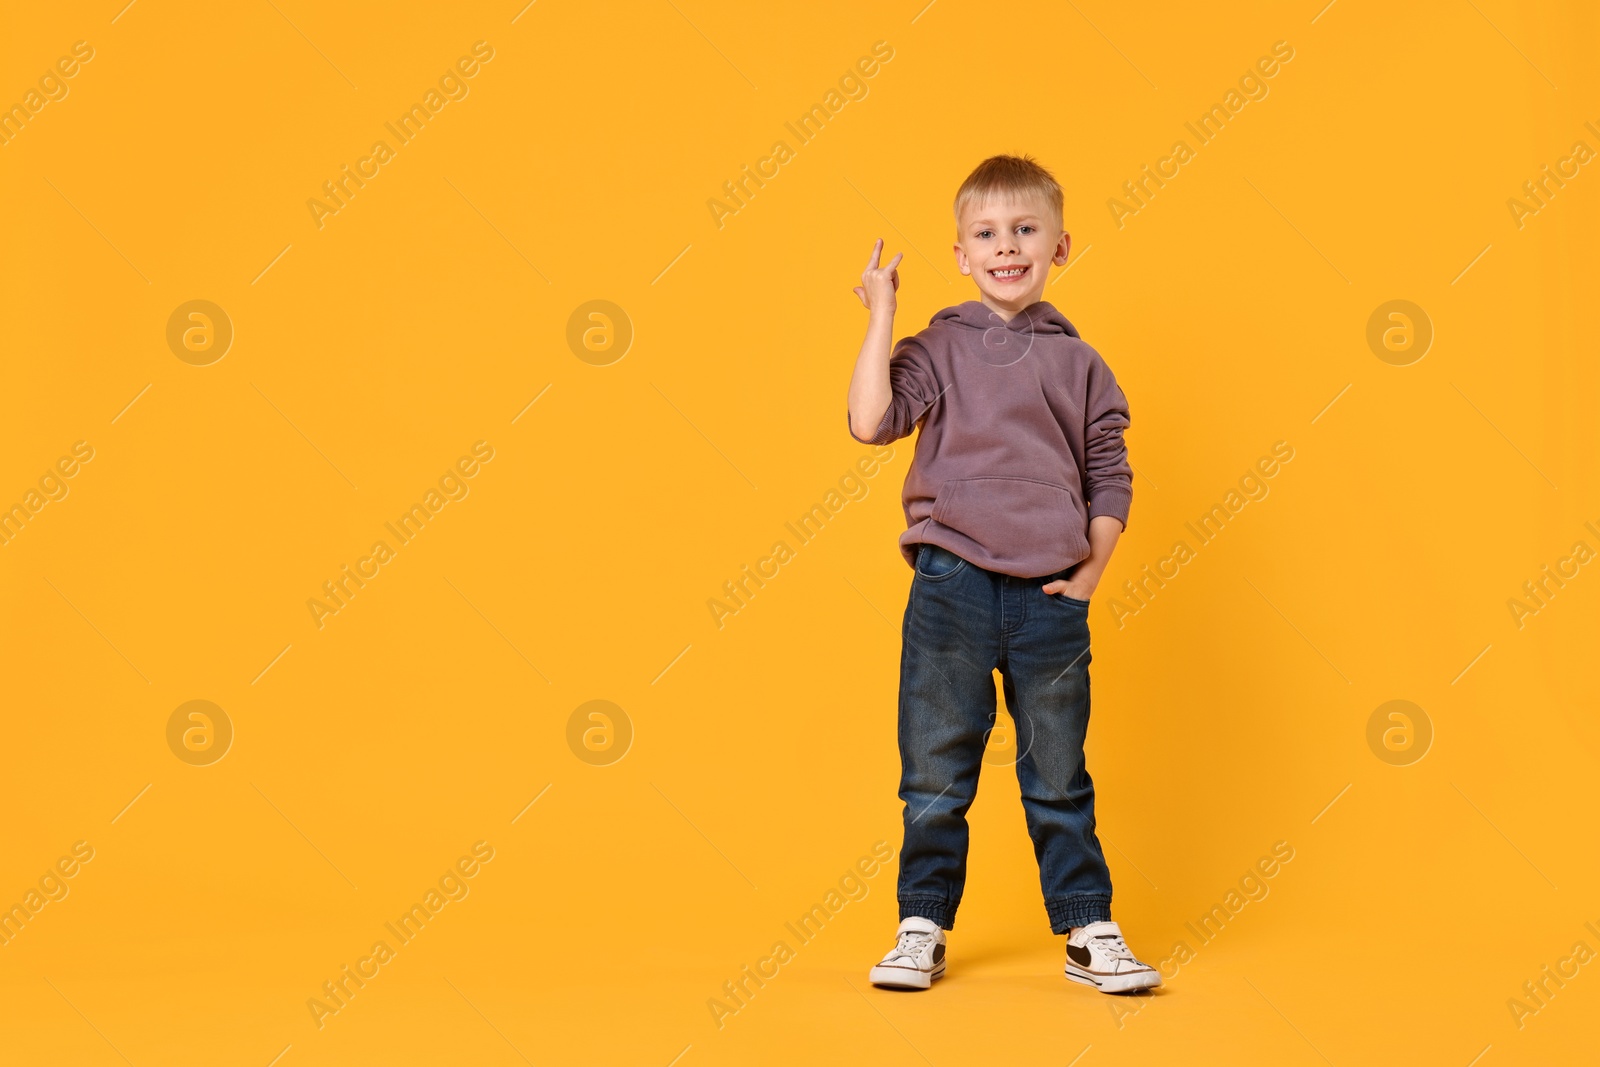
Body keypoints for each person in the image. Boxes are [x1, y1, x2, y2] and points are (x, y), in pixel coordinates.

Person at [846, 154, 1160, 994]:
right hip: (951, 586)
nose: (1006, 246)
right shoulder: (938, 345)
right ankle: (922, 924)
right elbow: (870, 422)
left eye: (1025, 230)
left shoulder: (1080, 362)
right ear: (960, 253)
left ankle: (1088, 927)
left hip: (1049, 595)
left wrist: (1093, 569)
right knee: (936, 771)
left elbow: (1108, 468)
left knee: (1057, 768)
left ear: (1060, 246)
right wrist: (883, 314)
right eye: (986, 233)